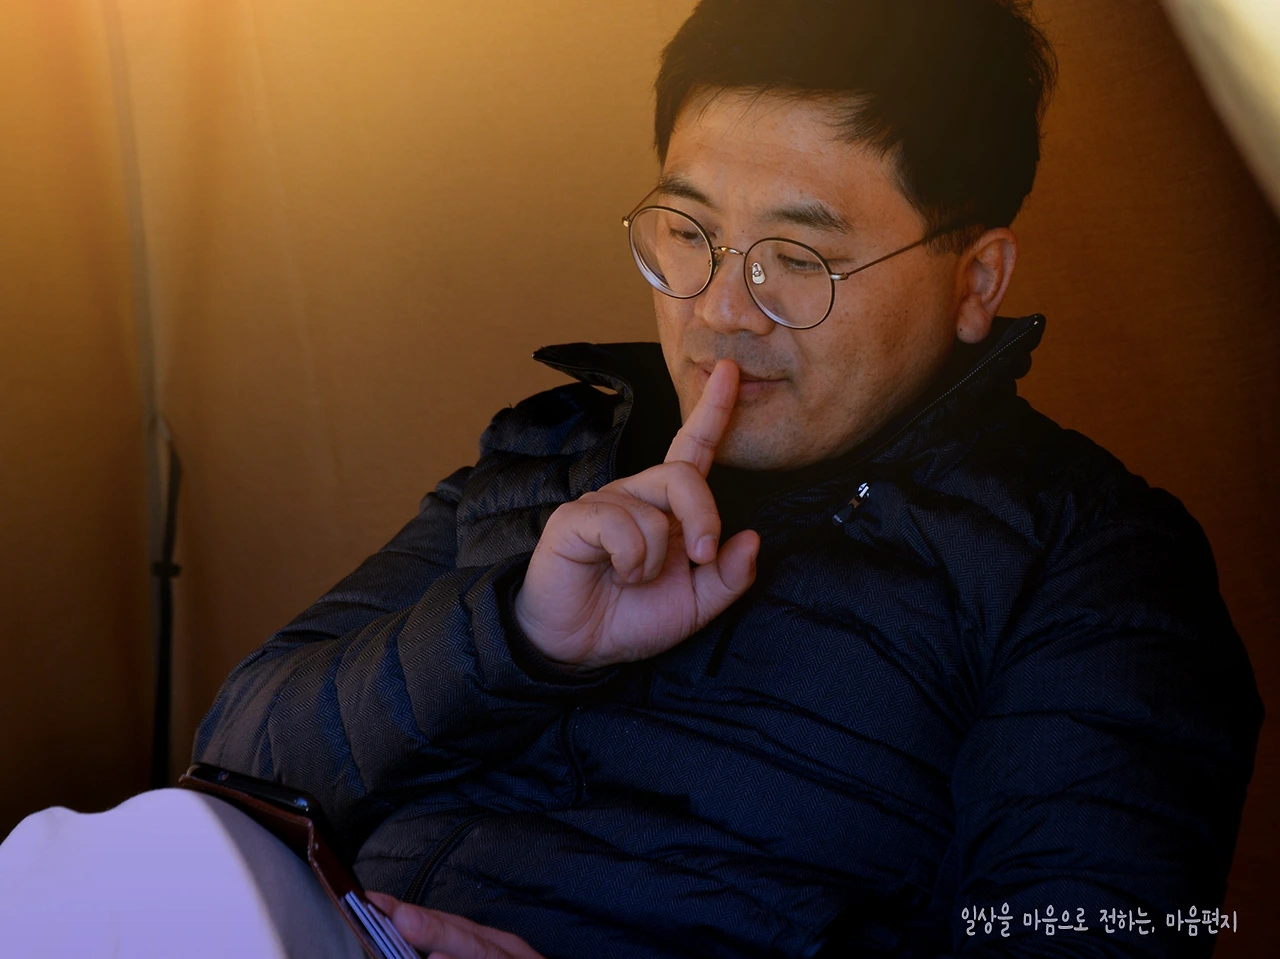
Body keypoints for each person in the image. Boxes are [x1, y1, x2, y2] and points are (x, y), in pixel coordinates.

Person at [2, 1, 1260, 957]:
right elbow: (234, 764)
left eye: (795, 259)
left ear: (974, 280)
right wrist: (517, 636)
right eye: (688, 234)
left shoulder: (1090, 565)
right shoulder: (552, 455)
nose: (719, 312)